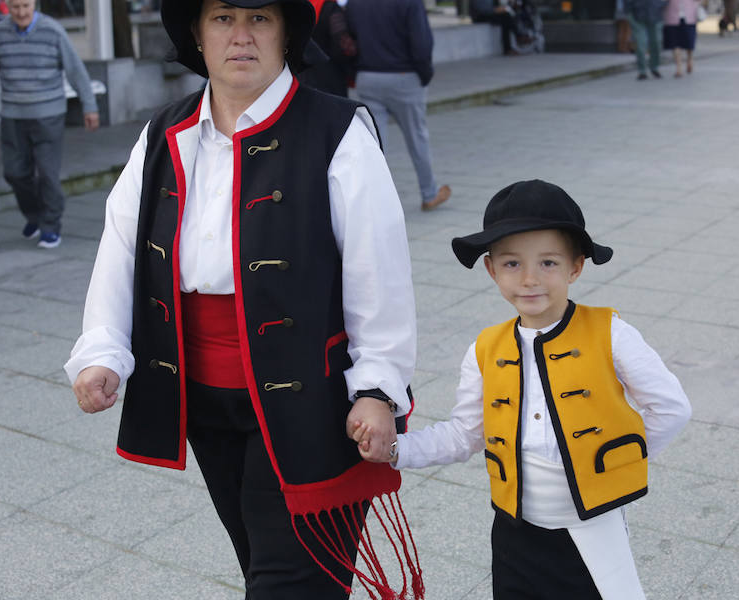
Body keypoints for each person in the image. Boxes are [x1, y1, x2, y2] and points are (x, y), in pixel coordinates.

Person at [65, 1, 424, 598]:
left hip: (312, 397)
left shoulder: (338, 130)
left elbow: (379, 274)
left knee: (289, 581)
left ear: (286, 35)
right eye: (222, 19)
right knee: (261, 558)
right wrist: (103, 350)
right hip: (204, 395)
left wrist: (378, 388)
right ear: (197, 37)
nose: (240, 37)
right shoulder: (164, 132)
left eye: (259, 19)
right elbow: (121, 248)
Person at [352, 180, 692, 600]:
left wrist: (617, 462)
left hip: (592, 524)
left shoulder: (612, 334)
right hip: (515, 530)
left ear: (576, 266)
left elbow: (671, 408)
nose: (530, 279)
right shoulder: (485, 347)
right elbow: (465, 433)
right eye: (512, 264)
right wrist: (397, 450)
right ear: (492, 270)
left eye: (548, 262)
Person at [0, 0, 100, 249]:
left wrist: (90, 106)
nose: (21, 12)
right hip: (12, 115)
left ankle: (50, 226)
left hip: (48, 114)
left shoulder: (52, 31)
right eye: (16, 7)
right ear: (8, 6)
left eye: (26, 6)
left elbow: (75, 70)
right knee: (14, 173)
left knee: (47, 175)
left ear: (35, 5)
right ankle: (35, 216)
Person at [346, 0, 451, 211]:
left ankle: (374, 201)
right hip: (404, 76)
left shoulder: (354, 3)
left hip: (368, 76)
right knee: (417, 137)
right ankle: (429, 194)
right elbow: (421, 43)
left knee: (373, 144)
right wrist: (424, 75)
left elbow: (350, 40)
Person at [297, 0, 357, 96]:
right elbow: (342, 44)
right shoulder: (330, 7)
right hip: (330, 77)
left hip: (302, 75)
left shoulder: (298, 8)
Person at [626, 0, 666, 80]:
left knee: (657, 42)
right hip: (637, 15)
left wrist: (660, 4)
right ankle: (642, 71)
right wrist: (629, 12)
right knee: (641, 44)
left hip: (656, 15)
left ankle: (654, 67)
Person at [663, 0, 699, 77]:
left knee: (689, 42)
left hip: (689, 17)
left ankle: (689, 59)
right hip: (671, 17)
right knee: (674, 43)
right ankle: (678, 68)